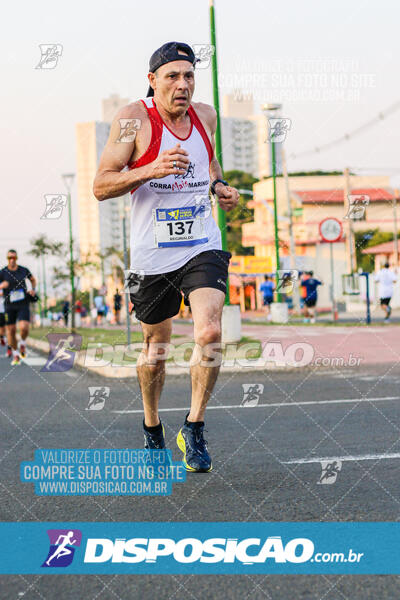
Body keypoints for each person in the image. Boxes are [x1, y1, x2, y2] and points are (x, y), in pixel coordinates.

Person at [93, 41, 239, 472]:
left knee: (209, 333)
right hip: (152, 253)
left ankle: (193, 426)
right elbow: (101, 185)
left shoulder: (207, 116)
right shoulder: (130, 120)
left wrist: (218, 188)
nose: (183, 84)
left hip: (200, 242)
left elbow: (208, 166)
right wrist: (151, 168)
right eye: (172, 76)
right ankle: (152, 427)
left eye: (189, 75)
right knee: (155, 346)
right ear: (152, 80)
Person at [0, 249, 37, 365]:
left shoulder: (23, 270)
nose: (12, 260)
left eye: (14, 258)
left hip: (23, 303)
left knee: (24, 327)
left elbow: (33, 280)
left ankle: (23, 344)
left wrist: (33, 289)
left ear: (16, 259)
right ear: (7, 259)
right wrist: (2, 286)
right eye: (9, 258)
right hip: (9, 305)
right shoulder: (3, 272)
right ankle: (16, 355)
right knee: (11, 331)